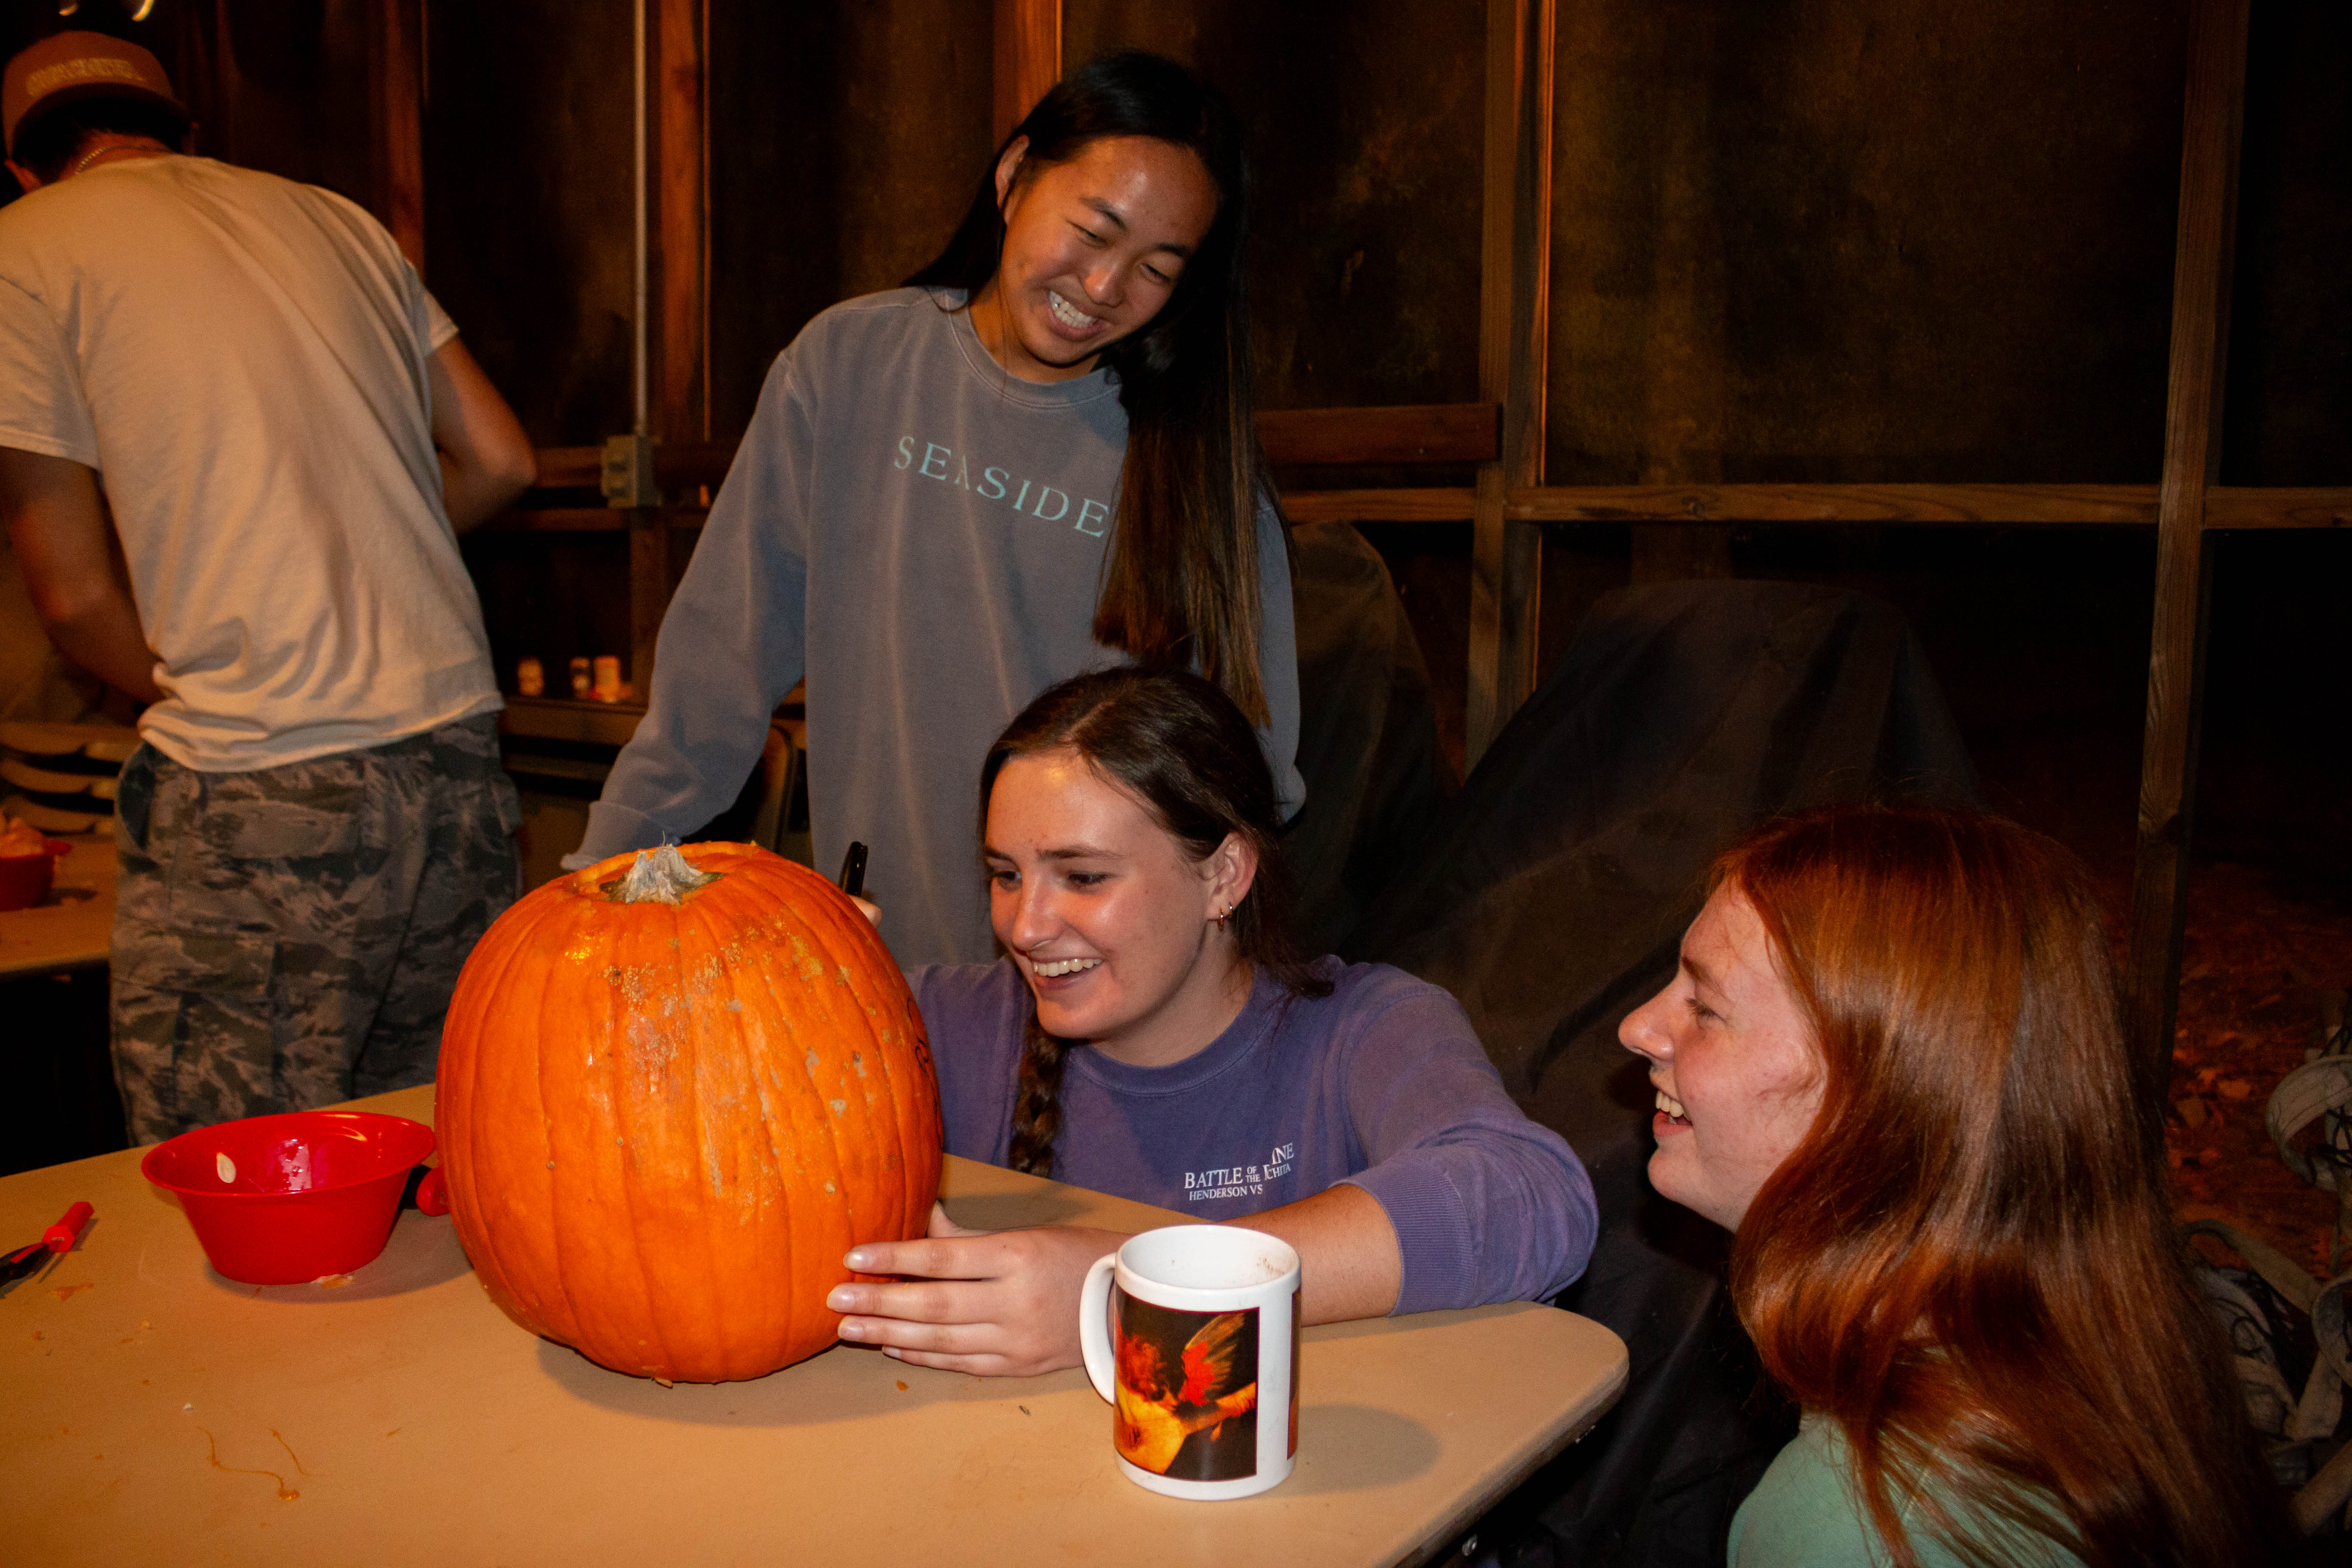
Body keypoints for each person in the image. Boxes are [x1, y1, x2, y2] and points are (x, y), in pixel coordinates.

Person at [568, 50, 1303, 968]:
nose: (1106, 287)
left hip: (1088, 998)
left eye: (1156, 268)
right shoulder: (848, 367)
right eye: (1092, 229)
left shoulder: (1199, 468)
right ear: (1012, 177)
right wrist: (593, 893)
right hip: (876, 978)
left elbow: (1249, 782)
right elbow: (709, 691)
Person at [0, 31, 538, 1142]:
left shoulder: (24, 246)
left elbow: (74, 601)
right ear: (188, 137)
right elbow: (502, 461)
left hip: (261, 776)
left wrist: (227, 658)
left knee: (234, 1165)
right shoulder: (340, 220)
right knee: (437, 1143)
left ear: (20, 166)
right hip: (454, 765)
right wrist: (340, 568)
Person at [824, 668, 1596, 1375]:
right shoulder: (948, 1022)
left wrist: (1127, 1288)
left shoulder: (1365, 1031)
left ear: (1224, 876)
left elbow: (1531, 1198)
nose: (1024, 927)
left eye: (1084, 877)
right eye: (1005, 876)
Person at [1618, 806, 2295, 1568]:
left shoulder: (1859, 1530)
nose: (1637, 1027)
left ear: (1884, 1098)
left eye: (1704, 1007)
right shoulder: (2125, 1362)